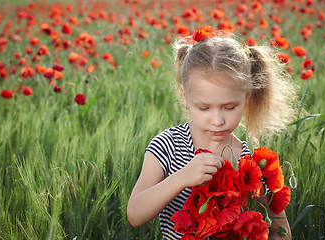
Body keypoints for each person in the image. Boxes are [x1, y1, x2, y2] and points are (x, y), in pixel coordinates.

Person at [127, 26, 296, 239]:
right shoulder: (168, 145)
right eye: (204, 108)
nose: (217, 121)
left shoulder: (250, 164)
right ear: (185, 97)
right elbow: (134, 214)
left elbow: (281, 232)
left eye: (229, 107)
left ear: (246, 97)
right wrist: (181, 178)